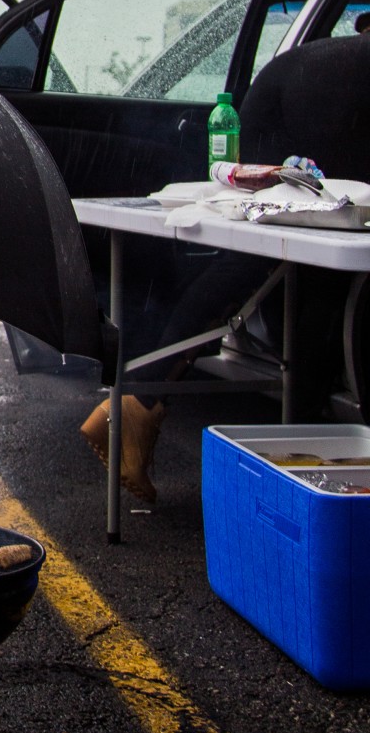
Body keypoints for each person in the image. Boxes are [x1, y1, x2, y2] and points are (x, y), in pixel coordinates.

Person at [81, 29, 370, 501]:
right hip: (329, 96)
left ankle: (140, 403)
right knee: (312, 265)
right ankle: (301, 458)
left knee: (288, 264)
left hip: (280, 88)